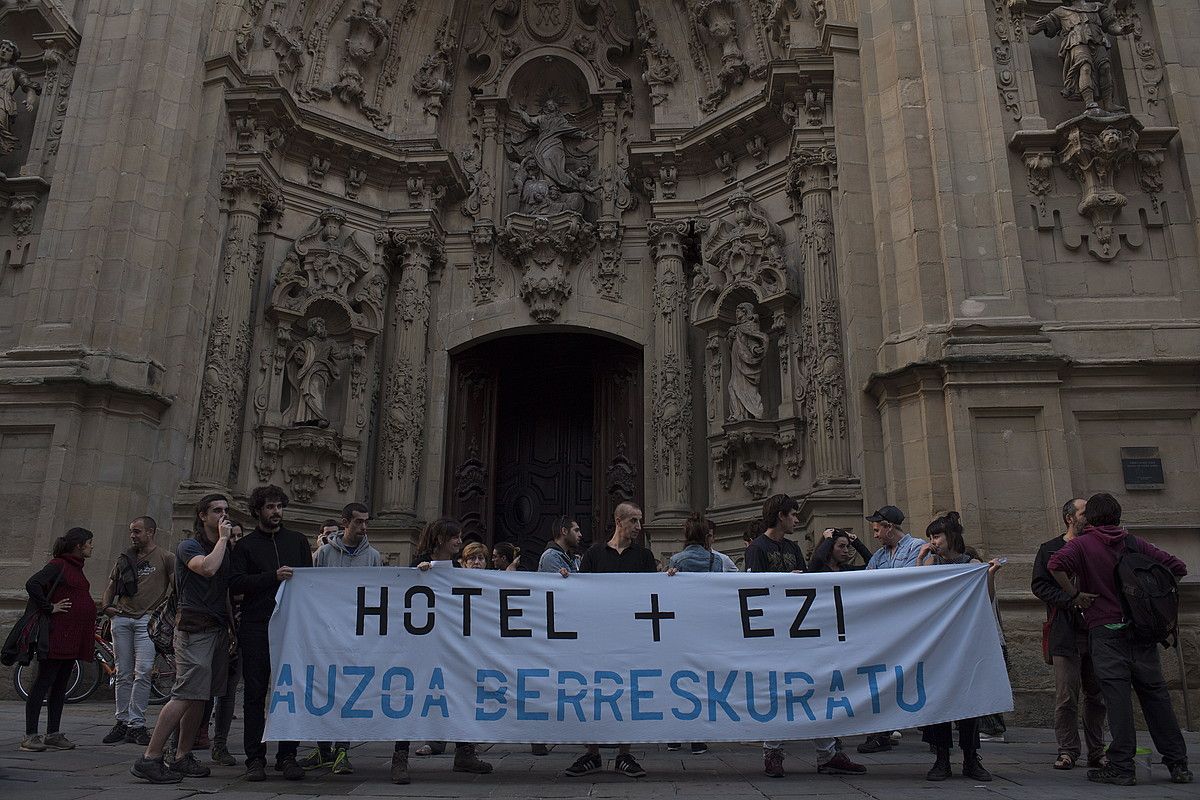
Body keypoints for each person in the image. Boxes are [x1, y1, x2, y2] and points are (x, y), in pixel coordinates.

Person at [1048, 492, 1191, 785]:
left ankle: (1122, 766)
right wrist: (1152, 598)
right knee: (1156, 697)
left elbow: (1055, 565)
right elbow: (1177, 567)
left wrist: (1075, 595)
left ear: (1091, 518)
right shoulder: (1132, 542)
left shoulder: (1084, 545)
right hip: (1141, 632)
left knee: (1117, 700)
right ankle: (1178, 764)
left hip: (1105, 631)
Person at [748, 495, 866, 779]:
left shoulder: (792, 547)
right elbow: (752, 589)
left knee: (815, 687)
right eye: (792, 514)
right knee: (778, 690)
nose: (797, 520)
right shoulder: (757, 548)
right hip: (773, 631)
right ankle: (773, 751)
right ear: (780, 516)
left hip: (799, 628)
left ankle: (827, 753)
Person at [132, 495, 234, 783]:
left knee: (201, 696)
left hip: (216, 628)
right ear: (202, 515)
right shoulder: (189, 546)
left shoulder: (225, 548)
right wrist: (224, 541)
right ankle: (150, 757)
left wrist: (231, 631)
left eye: (226, 510)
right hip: (193, 629)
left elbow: (225, 589)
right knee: (185, 692)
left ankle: (181, 756)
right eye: (217, 511)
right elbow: (207, 568)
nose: (223, 515)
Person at [391, 518, 492, 784]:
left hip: (455, 645)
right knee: (412, 696)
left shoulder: (459, 570)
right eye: (455, 537)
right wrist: (419, 574)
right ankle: (400, 757)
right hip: (423, 646)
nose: (460, 542)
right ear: (440, 540)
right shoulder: (419, 567)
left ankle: (464, 752)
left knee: (462, 693)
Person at [564, 502, 655, 779]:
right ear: (619, 521)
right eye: (634, 521)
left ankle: (624, 754)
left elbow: (655, 591)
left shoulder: (644, 556)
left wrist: (670, 580)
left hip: (630, 636)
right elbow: (581, 593)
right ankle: (592, 754)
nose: (639, 527)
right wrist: (565, 581)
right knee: (593, 690)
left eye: (640, 522)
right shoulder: (594, 554)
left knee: (628, 690)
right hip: (598, 636)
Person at [230, 485, 310, 782]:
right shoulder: (246, 546)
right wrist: (271, 578)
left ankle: (287, 754)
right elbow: (236, 583)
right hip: (257, 625)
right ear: (258, 511)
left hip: (291, 626)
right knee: (254, 692)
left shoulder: (298, 541)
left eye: (279, 507)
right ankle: (255, 757)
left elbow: (309, 583)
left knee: (288, 690)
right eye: (270, 507)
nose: (276, 512)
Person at [915, 512, 1001, 782]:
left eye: (937, 536)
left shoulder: (971, 564)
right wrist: (920, 561)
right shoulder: (931, 564)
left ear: (951, 537)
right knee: (940, 700)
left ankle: (970, 758)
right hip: (939, 644)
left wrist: (990, 575)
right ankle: (941, 758)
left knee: (967, 702)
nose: (934, 541)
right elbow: (915, 594)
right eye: (931, 536)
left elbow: (986, 599)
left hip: (964, 642)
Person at [299, 503, 381, 775]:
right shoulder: (323, 554)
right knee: (323, 688)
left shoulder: (373, 557)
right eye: (359, 522)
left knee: (347, 690)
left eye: (366, 522)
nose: (364, 527)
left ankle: (342, 748)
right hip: (326, 633)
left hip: (355, 635)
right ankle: (323, 748)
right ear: (345, 522)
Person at [1032, 498, 1107, 771]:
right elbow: (1039, 586)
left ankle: (1097, 750)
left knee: (1096, 695)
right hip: (1065, 632)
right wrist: (1071, 599)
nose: (1089, 517)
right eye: (1084, 513)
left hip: (1097, 632)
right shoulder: (1050, 549)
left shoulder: (1098, 545)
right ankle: (1067, 750)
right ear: (1070, 518)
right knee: (1066, 696)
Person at [100, 516, 174, 747]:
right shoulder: (125, 558)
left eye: (137, 531)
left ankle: (137, 723)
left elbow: (176, 586)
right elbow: (111, 584)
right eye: (132, 531)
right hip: (121, 618)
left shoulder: (165, 557)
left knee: (143, 670)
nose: (133, 535)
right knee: (122, 671)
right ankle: (122, 721)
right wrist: (106, 608)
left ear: (151, 532)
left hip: (147, 620)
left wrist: (166, 613)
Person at [20, 527, 95, 753]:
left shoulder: (77, 569)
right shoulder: (58, 565)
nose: (92, 547)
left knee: (61, 685)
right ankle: (30, 735)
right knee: (44, 682)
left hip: (71, 637)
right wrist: (49, 607)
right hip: (56, 635)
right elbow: (32, 584)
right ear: (78, 545)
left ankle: (53, 733)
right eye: (89, 543)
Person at [857, 504, 924, 755]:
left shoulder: (915, 547)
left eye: (877, 529)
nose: (874, 535)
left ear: (889, 527)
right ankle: (880, 732)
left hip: (909, 625)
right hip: (884, 626)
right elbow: (867, 581)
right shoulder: (880, 555)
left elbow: (907, 581)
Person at [664, 514, 726, 755]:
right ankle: (698, 737)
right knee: (702, 681)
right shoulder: (715, 561)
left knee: (677, 679)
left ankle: (674, 736)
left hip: (680, 627)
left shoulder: (677, 560)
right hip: (705, 627)